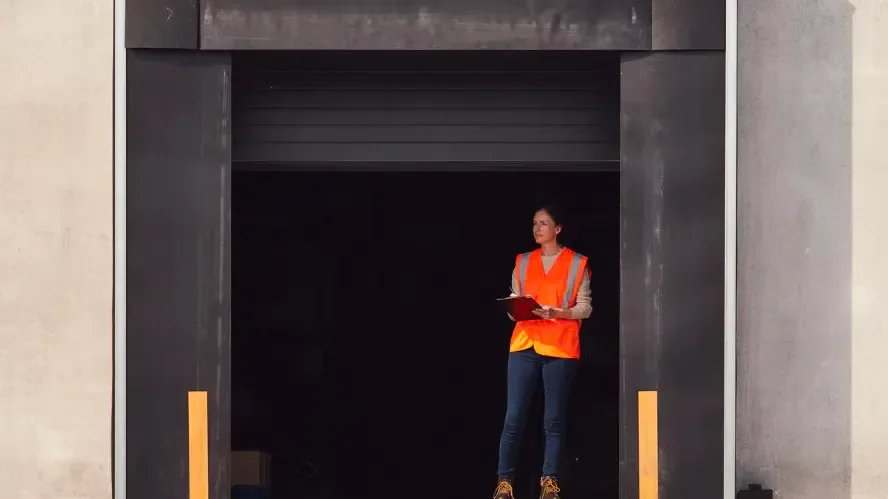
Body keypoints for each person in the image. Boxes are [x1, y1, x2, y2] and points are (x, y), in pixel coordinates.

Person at [493, 205, 592, 499]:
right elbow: (513, 306)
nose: (537, 229)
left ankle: (549, 482)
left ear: (557, 229)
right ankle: (504, 483)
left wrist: (557, 312)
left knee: (553, 419)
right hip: (525, 344)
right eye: (535, 223)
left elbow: (584, 307)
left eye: (544, 223)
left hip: (560, 346)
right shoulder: (523, 262)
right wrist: (516, 307)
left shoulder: (576, 264)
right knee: (514, 417)